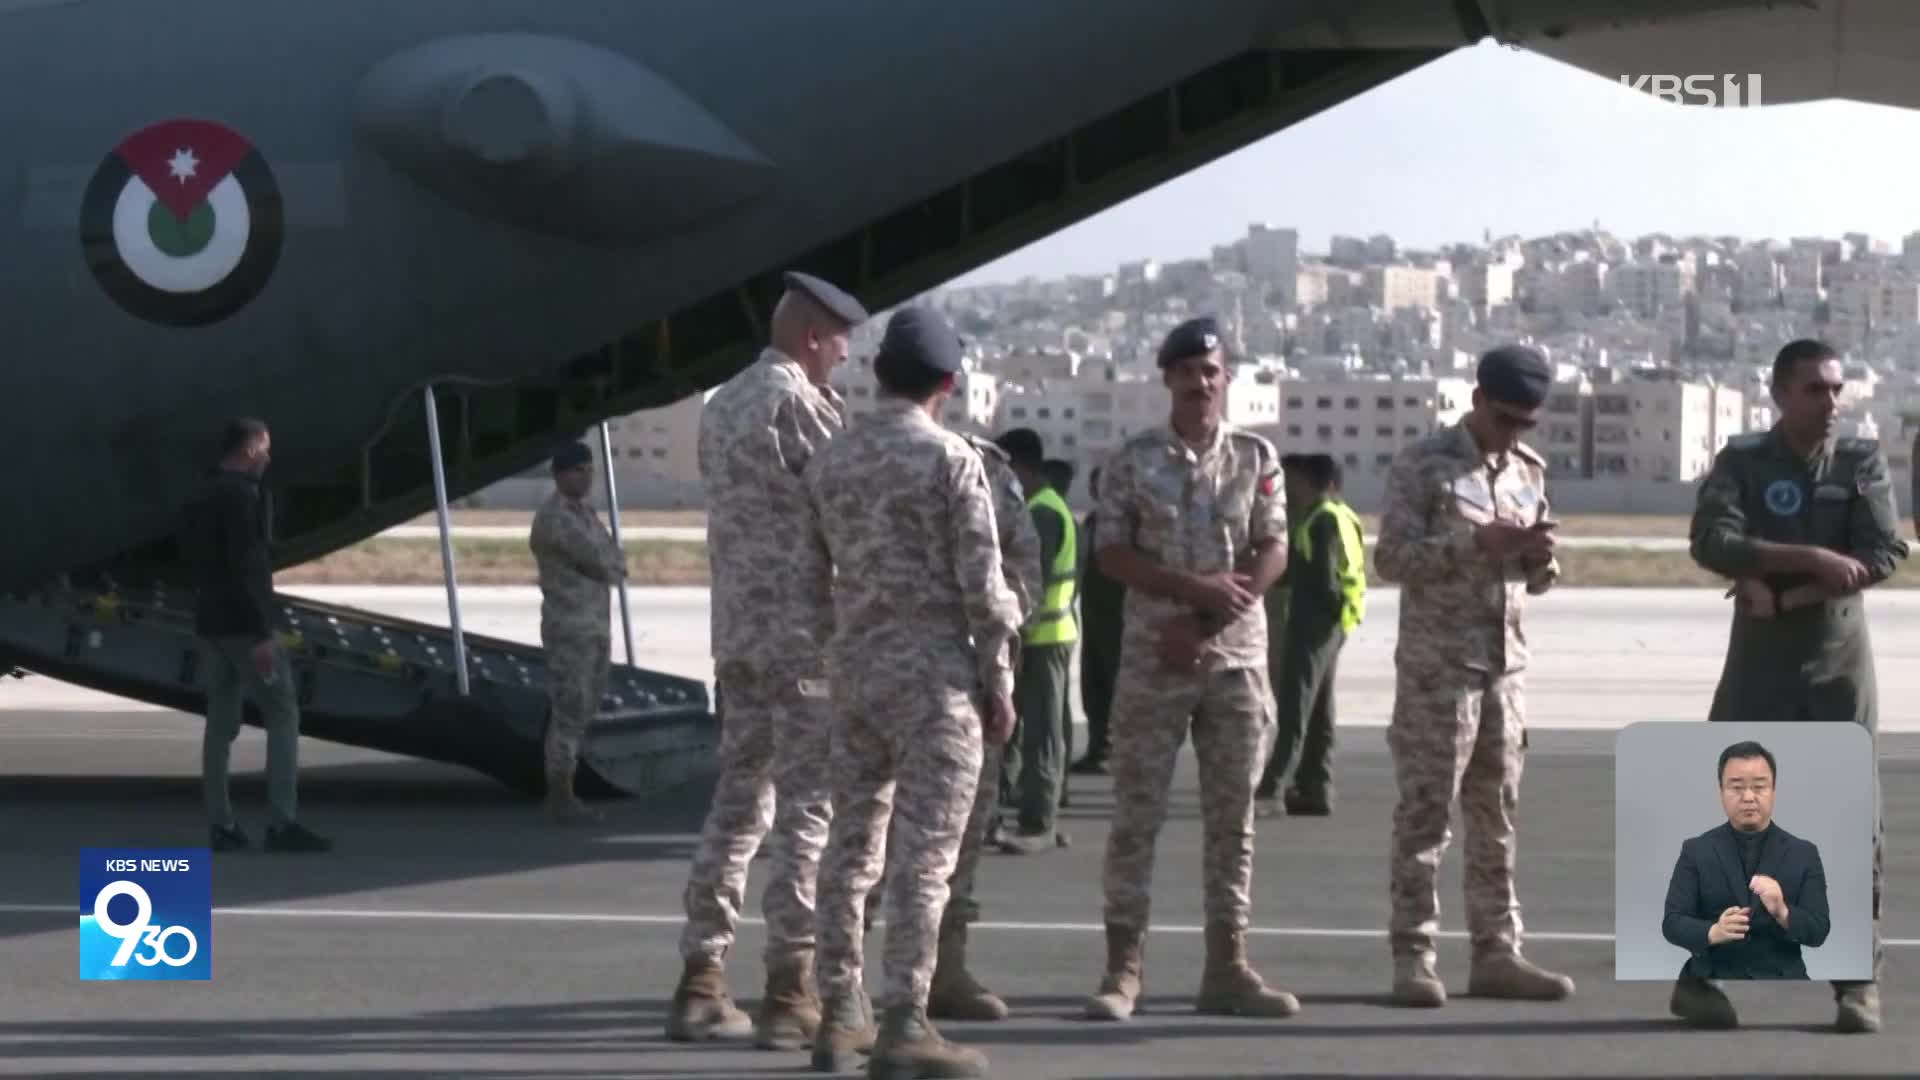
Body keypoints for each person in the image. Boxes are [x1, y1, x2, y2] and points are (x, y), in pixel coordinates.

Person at [802, 305, 1021, 1077]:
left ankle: (841, 1014)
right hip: (934, 682)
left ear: (879, 373)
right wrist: (1000, 681)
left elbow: (810, 580)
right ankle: (904, 1021)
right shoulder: (951, 459)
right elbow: (984, 587)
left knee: (850, 848)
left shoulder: (830, 460)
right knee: (925, 859)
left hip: (856, 675)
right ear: (948, 383)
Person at [665, 271, 869, 1048]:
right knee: (809, 810)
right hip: (805, 640)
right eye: (840, 341)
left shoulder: (722, 407)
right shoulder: (800, 405)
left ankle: (701, 979)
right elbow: (847, 505)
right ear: (813, 336)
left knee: (739, 802)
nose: (844, 357)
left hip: (741, 638)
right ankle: (792, 989)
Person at [1687, 336, 1906, 1033]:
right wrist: (1805, 554)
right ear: (1781, 393)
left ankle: (1854, 981)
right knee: (1733, 819)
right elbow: (1709, 538)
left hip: (1838, 667)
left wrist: (1786, 594)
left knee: (1850, 822)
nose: (1832, 401)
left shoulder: (1859, 460)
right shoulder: (1745, 462)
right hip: (1760, 670)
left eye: (1838, 388)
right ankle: (1696, 977)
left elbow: (1882, 552)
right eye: (1816, 389)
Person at [1081, 316, 1296, 1023]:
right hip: (1153, 660)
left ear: (1226, 378)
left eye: (1211, 372)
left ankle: (1227, 966)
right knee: (1135, 818)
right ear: (1166, 378)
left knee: (1233, 822)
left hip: (1233, 661)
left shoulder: (1257, 458)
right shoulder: (1132, 460)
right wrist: (1186, 589)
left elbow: (1273, 550)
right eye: (1186, 373)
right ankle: (1123, 971)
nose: (1200, 384)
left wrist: (1208, 613)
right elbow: (1111, 554)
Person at [1372, 343, 1576, 1008]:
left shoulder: (1527, 471)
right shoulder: (1423, 465)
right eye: (1507, 418)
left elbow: (1534, 579)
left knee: (1497, 819)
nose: (1516, 433)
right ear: (1477, 400)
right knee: (1426, 816)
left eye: (1528, 423)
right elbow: (1394, 560)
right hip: (1440, 672)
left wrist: (1541, 558)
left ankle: (1497, 952)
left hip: (1504, 671)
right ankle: (1413, 956)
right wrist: (1473, 543)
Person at [183, 418, 330, 854]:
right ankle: (282, 822)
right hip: (245, 629)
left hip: (209, 624)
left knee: (220, 725)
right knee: (283, 716)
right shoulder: (243, 498)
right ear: (248, 451)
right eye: (264, 448)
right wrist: (263, 633)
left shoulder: (200, 493)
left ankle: (221, 824)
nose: (268, 456)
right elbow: (248, 570)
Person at [1662, 741, 1830, 1012]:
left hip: (1784, 984)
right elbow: (1672, 922)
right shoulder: (1696, 850)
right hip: (1713, 982)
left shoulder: (1804, 853)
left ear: (1774, 791)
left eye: (1759, 787)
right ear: (1721, 792)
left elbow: (1819, 930)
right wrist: (1713, 932)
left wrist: (1782, 911)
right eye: (1737, 788)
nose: (1748, 797)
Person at [1256, 453, 1364, 817]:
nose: (1291, 490)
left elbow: (1323, 577)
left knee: (1294, 707)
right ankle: (1317, 787)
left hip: (1314, 623)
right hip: (1334, 623)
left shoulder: (1322, 521)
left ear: (1315, 483)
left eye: (1296, 482)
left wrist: (1323, 611)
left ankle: (1270, 788)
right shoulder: (1343, 515)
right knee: (1319, 711)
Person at [528, 441, 628, 824]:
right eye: (577, 471)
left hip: (594, 625)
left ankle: (565, 790)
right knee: (569, 710)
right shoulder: (556, 518)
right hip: (570, 628)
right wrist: (609, 562)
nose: (585, 478)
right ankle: (560, 796)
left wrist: (610, 562)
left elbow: (614, 561)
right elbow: (604, 561)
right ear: (559, 475)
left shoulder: (584, 513)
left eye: (589, 470)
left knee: (584, 708)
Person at [990, 429, 1078, 854]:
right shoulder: (1044, 506)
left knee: (1040, 733)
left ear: (1020, 468)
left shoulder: (1041, 513)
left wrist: (1015, 639)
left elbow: (1030, 585)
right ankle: (1031, 811)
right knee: (1033, 729)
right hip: (1046, 635)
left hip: (1041, 638)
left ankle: (1038, 820)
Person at [1070, 466, 1123, 777]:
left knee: (1119, 685)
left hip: (1120, 616)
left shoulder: (1129, 524)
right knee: (1094, 685)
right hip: (1093, 612)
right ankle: (1098, 747)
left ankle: (1120, 750)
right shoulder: (1092, 521)